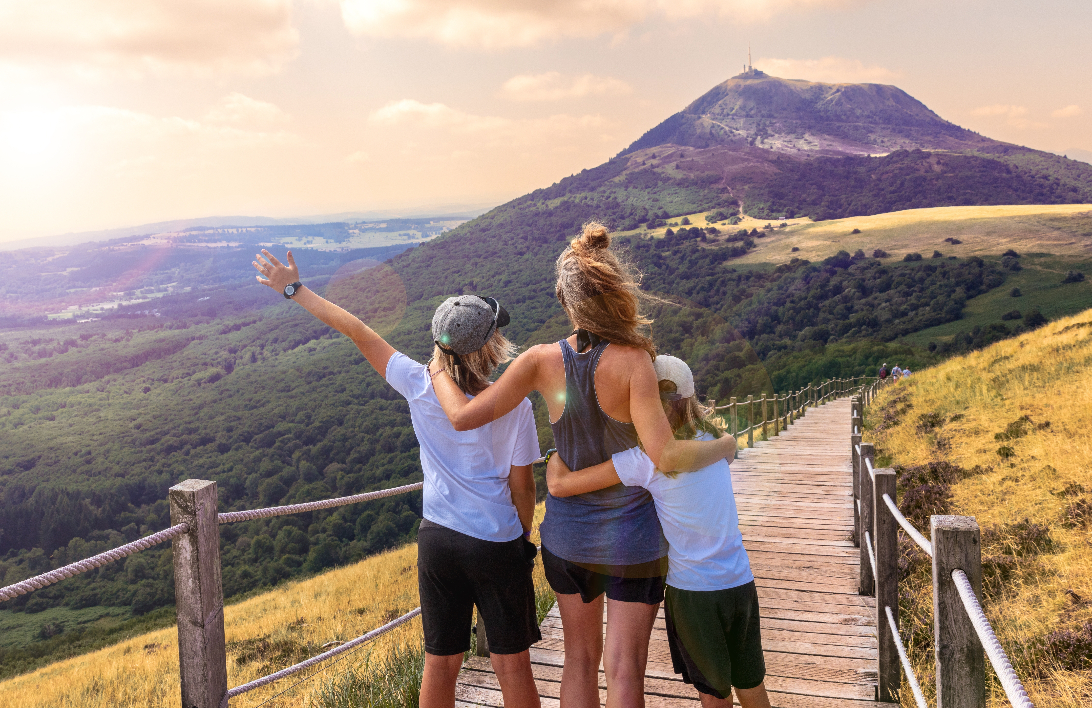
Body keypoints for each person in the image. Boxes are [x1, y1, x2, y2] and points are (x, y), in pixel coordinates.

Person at [428, 223, 736, 708]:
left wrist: (440, 367)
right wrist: (723, 446)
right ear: (614, 294)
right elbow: (664, 456)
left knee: (579, 659)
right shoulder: (635, 361)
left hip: (568, 540)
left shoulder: (538, 361)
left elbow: (463, 416)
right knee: (626, 667)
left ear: (563, 300)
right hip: (634, 538)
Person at [252, 250, 541, 708]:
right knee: (512, 663)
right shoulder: (517, 405)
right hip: (495, 542)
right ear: (489, 347)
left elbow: (357, 330)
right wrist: (522, 536)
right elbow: (522, 487)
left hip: (438, 540)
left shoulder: (418, 382)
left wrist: (294, 289)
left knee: (440, 662)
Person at [545, 355, 771, 708]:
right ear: (689, 398)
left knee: (715, 695)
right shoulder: (714, 441)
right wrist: (729, 443)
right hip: (740, 582)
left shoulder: (643, 460)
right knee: (752, 687)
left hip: (694, 592)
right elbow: (724, 448)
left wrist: (554, 457)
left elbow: (561, 485)